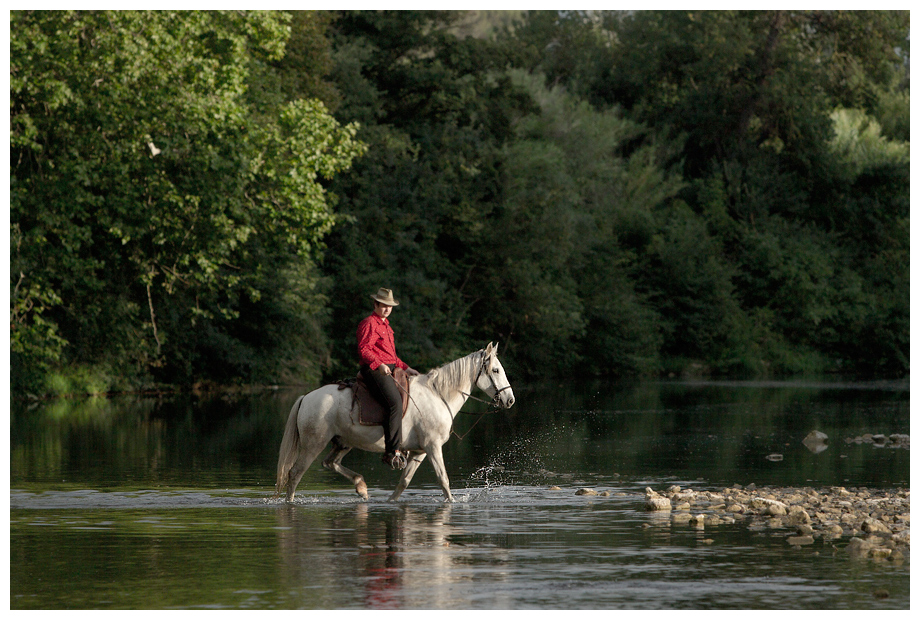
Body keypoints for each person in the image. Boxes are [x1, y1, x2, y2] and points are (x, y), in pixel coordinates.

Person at [357, 287, 420, 470]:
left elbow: (392, 357)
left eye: (389, 306)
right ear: (375, 304)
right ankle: (392, 452)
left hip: (390, 368)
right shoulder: (369, 323)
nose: (386, 309)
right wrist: (379, 364)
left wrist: (407, 368)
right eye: (383, 305)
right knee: (395, 403)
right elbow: (364, 349)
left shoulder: (387, 326)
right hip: (374, 370)